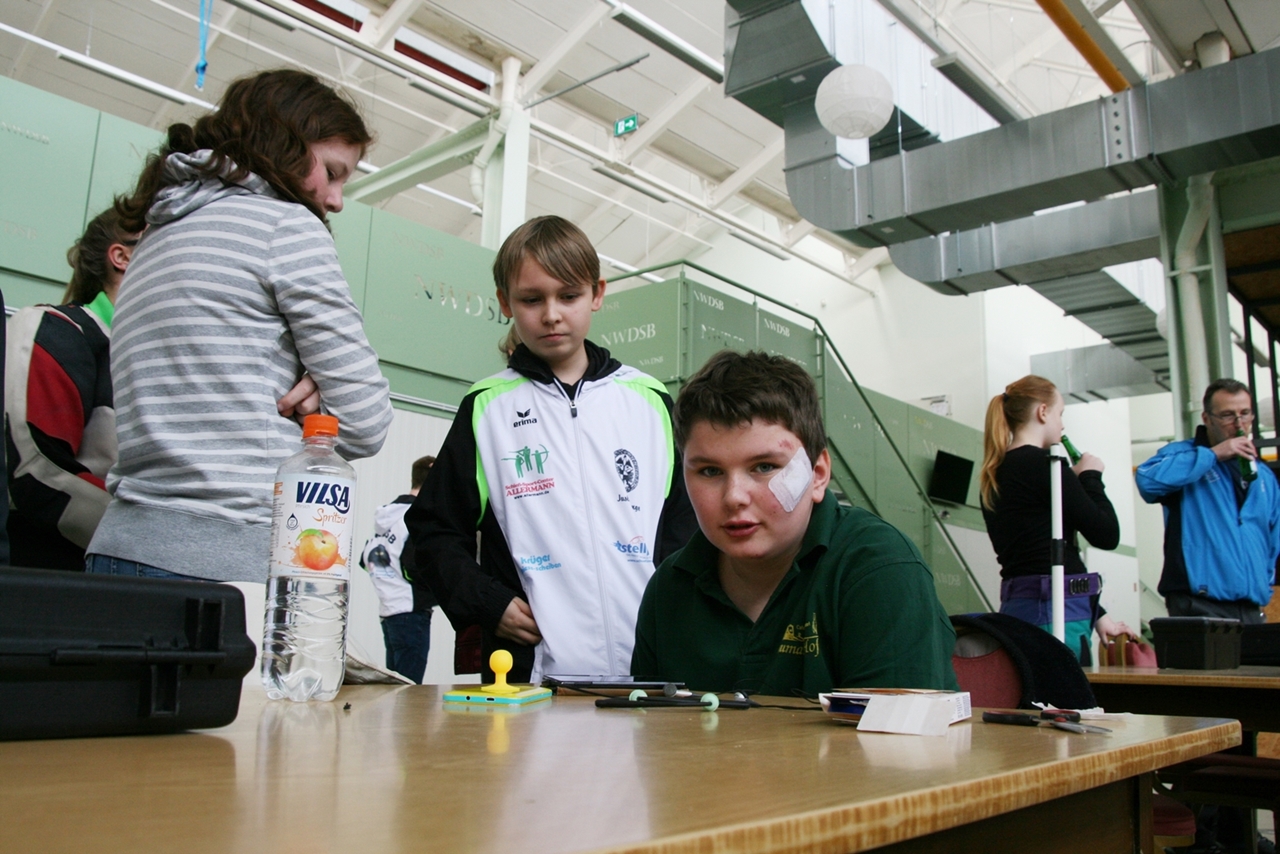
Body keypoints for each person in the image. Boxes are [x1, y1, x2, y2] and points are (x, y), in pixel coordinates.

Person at [85, 69, 392, 582]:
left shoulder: (157, 234)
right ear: (285, 144)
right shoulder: (286, 226)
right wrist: (319, 387)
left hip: (119, 547)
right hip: (225, 556)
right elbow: (365, 421)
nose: (337, 199)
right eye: (332, 172)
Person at [406, 215, 696, 683]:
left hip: (652, 674)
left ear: (597, 294)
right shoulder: (486, 408)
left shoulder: (649, 400)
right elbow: (432, 531)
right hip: (531, 678)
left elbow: (688, 522)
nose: (551, 314)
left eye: (569, 295)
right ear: (505, 302)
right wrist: (488, 603)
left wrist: (679, 612)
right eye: (531, 299)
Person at [631, 350, 959, 697]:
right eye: (710, 471)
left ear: (818, 474)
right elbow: (649, 724)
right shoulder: (669, 588)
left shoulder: (880, 568)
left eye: (764, 467)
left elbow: (896, 730)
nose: (734, 497)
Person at [6, 209, 138, 570]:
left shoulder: (162, 357)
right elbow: (37, 469)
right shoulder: (58, 330)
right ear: (122, 257)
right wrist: (154, 540)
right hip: (57, 575)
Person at [980, 375, 1133, 659]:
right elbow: (1106, 534)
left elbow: (1039, 553)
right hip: (1057, 614)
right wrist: (1090, 478)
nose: (1062, 425)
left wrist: (1098, 613)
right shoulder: (1046, 466)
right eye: (1060, 413)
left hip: (1019, 608)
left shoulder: (995, 472)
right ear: (1042, 411)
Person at [1136, 378, 1280, 623]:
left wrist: (1263, 585)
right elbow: (1147, 481)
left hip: (1250, 606)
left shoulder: (1264, 475)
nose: (1238, 424)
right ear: (1207, 418)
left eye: (1245, 413)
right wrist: (1215, 454)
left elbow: (1272, 542)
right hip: (1198, 603)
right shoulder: (1183, 455)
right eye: (1227, 415)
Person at [360, 455, 438, 683]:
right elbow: (417, 565)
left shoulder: (388, 516)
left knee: (395, 687)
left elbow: (367, 559)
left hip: (390, 612)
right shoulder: (417, 517)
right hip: (410, 612)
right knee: (409, 690)